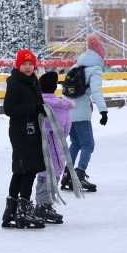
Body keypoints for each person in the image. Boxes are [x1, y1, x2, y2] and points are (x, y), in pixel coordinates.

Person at [1, 49, 47, 229]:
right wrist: (34, 108)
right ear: (18, 65)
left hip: (33, 131)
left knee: (20, 170)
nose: (28, 67)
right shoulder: (15, 83)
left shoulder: (33, 81)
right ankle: (24, 210)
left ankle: (12, 211)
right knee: (28, 169)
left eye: (30, 64)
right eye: (24, 64)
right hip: (21, 132)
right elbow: (9, 109)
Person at [65, 34, 108, 193]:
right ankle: (80, 173)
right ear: (99, 55)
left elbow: (67, 90)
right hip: (82, 113)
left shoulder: (76, 66)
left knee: (76, 143)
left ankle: (67, 174)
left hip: (69, 111)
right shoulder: (95, 69)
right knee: (88, 144)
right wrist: (103, 111)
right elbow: (96, 91)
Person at [33, 70, 73, 225]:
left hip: (39, 144)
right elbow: (67, 128)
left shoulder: (37, 104)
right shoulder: (62, 106)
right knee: (52, 176)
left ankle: (40, 205)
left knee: (42, 176)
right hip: (55, 146)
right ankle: (44, 206)